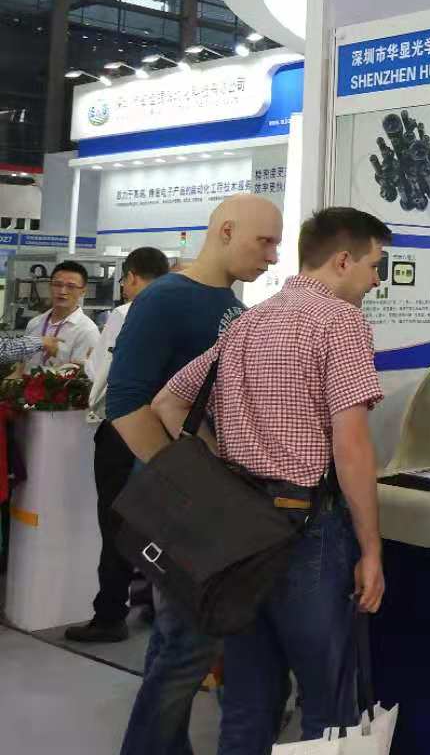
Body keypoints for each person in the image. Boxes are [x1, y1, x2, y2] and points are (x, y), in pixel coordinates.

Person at [123, 206, 391, 753]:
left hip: (241, 539)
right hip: (307, 532)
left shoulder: (249, 321)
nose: (376, 281)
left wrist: (219, 465)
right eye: (375, 266)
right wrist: (371, 549)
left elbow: (169, 402)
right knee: (326, 702)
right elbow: (351, 447)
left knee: (248, 700)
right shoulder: (341, 323)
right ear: (343, 261)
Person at [108, 195, 282, 755]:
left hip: (209, 495)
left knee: (177, 641)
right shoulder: (165, 299)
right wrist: (186, 491)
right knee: (189, 647)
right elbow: (125, 405)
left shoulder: (229, 304)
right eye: (264, 241)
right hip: (188, 505)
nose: (272, 256)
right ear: (226, 231)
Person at [64, 245, 171, 645]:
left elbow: (101, 371)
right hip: (167, 431)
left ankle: (110, 613)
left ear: (131, 278)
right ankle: (157, 604)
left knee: (115, 522)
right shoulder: (181, 311)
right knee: (160, 521)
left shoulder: (126, 314)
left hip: (123, 427)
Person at [24, 259, 101, 371]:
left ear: (83, 291)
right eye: (57, 285)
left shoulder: (87, 331)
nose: (62, 291)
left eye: (71, 286)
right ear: (50, 286)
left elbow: (81, 376)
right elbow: (23, 366)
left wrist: (58, 354)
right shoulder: (34, 323)